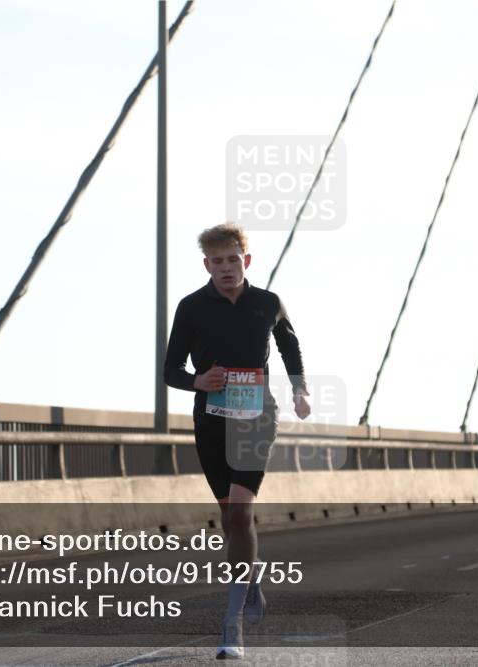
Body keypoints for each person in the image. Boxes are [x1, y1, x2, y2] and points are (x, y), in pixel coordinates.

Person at [164, 222, 311, 659]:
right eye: (217, 261)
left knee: (242, 509)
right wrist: (198, 380)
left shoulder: (268, 303)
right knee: (230, 519)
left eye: (233, 259)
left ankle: (232, 626)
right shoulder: (191, 307)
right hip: (211, 419)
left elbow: (290, 348)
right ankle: (250, 581)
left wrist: (300, 390)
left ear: (245, 261)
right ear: (206, 264)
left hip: (256, 418)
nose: (226, 268)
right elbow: (170, 370)